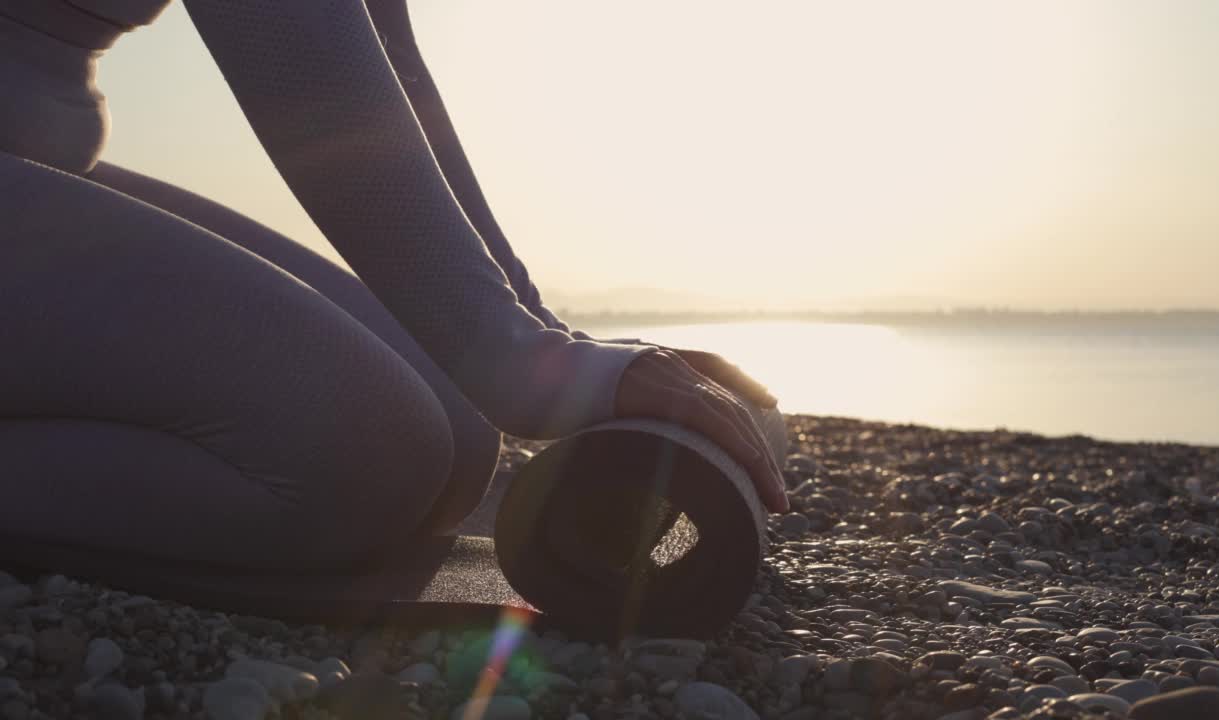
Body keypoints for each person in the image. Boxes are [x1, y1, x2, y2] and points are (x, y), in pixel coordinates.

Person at [0, 0, 788, 588]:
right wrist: (520, 361)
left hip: (35, 167)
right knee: (367, 455)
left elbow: (389, 73)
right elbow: (308, 79)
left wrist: (545, 343)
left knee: (456, 436)